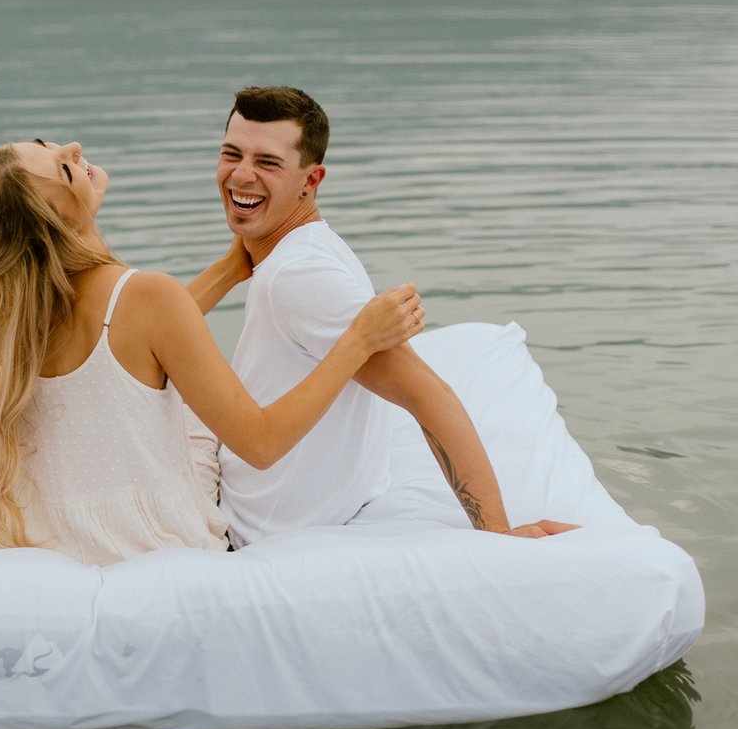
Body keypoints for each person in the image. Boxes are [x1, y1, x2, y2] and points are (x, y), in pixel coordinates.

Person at [0, 138, 424, 565]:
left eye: (50, 143)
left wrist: (232, 270)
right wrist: (357, 341)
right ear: (54, 225)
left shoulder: (10, 303)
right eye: (63, 168)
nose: (72, 149)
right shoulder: (147, 296)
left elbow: (130, 337)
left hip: (41, 522)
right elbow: (258, 442)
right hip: (145, 537)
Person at [213, 86, 574, 546]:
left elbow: (428, 394)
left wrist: (497, 532)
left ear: (311, 180)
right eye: (232, 154)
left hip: (257, 531)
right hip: (267, 501)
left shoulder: (300, 274)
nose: (241, 175)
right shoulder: (301, 248)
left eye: (267, 163)